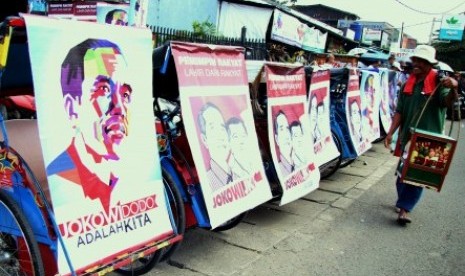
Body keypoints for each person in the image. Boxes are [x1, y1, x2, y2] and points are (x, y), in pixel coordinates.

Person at [47, 39, 133, 212]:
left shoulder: (128, 174)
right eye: (104, 90)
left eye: (125, 94)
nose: (120, 109)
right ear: (72, 108)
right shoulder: (62, 181)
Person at [384, 45, 458, 226]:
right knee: (403, 173)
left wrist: (454, 87)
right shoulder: (408, 83)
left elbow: (447, 102)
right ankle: (403, 201)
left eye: (421, 61)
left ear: (429, 64)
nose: (415, 64)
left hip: (429, 139)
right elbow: (400, 111)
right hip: (408, 137)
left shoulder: (439, 82)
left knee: (417, 176)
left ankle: (404, 209)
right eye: (415, 60)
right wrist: (390, 132)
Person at [198, 102, 234, 191]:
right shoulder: (208, 184)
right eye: (212, 128)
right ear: (204, 139)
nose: (220, 135)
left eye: (222, 127)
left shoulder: (239, 172)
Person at [274, 110, 295, 176]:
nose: (286, 134)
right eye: (281, 129)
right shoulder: (279, 171)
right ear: (277, 139)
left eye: (287, 128)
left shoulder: (298, 162)